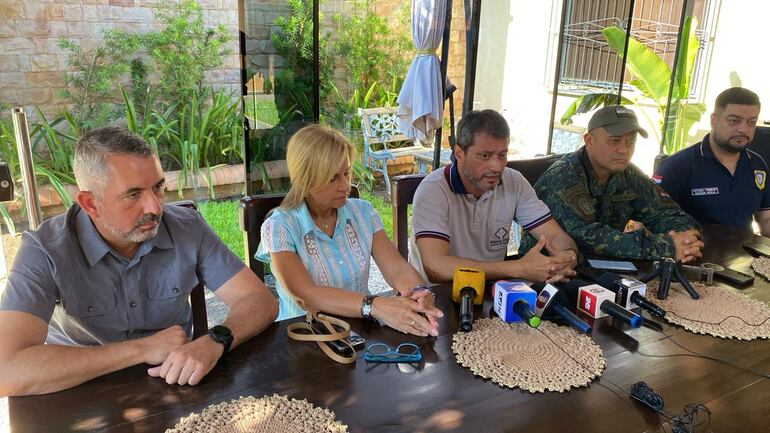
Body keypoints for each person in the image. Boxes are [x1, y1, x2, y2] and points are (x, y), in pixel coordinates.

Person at [0, 127, 278, 397]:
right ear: (90, 204)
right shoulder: (45, 249)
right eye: (133, 195)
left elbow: (260, 300)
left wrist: (216, 339)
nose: (155, 208)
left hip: (175, 385)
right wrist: (142, 349)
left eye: (157, 188)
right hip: (77, 391)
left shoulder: (186, 227)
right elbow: (7, 371)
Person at [257, 124, 442, 337]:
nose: (345, 186)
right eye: (332, 178)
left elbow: (397, 268)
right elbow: (307, 296)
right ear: (304, 181)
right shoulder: (281, 227)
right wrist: (376, 306)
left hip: (360, 331)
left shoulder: (362, 213)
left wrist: (418, 292)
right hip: (305, 337)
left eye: (346, 173)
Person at [411, 109, 578, 284]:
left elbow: (556, 236)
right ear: (459, 153)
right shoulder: (434, 190)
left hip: (491, 293)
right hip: (435, 299)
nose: (496, 167)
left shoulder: (514, 181)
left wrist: (567, 256)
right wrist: (518, 268)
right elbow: (436, 267)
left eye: (502, 155)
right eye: (485, 155)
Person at [521, 105, 704, 262]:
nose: (624, 150)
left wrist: (687, 240)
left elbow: (665, 213)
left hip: (607, 267)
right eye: (614, 141)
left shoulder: (629, 174)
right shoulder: (565, 176)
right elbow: (588, 237)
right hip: (549, 271)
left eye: (630, 142)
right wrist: (667, 247)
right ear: (589, 140)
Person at [654, 87, 770, 235]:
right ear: (714, 120)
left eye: (751, 122)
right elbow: (653, 222)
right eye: (734, 121)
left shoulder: (758, 165)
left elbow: (766, 219)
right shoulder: (676, 166)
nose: (743, 129)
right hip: (695, 255)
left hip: (747, 255)